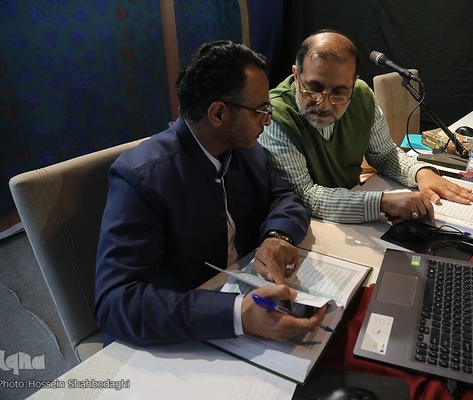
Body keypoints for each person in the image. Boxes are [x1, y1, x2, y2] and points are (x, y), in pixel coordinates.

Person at [94, 40, 325, 347]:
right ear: (218, 113)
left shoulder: (245, 150)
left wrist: (277, 237)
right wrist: (238, 315)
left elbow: (284, 197)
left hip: (244, 297)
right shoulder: (141, 178)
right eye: (260, 110)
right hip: (180, 332)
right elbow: (116, 304)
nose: (267, 119)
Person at [258, 30, 473, 224]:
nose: (324, 104)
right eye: (314, 88)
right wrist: (382, 202)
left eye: (339, 92)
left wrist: (420, 172)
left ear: (353, 85)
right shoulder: (274, 116)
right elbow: (304, 196)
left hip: (355, 209)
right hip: (307, 226)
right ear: (296, 75)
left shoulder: (361, 95)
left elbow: (385, 155)